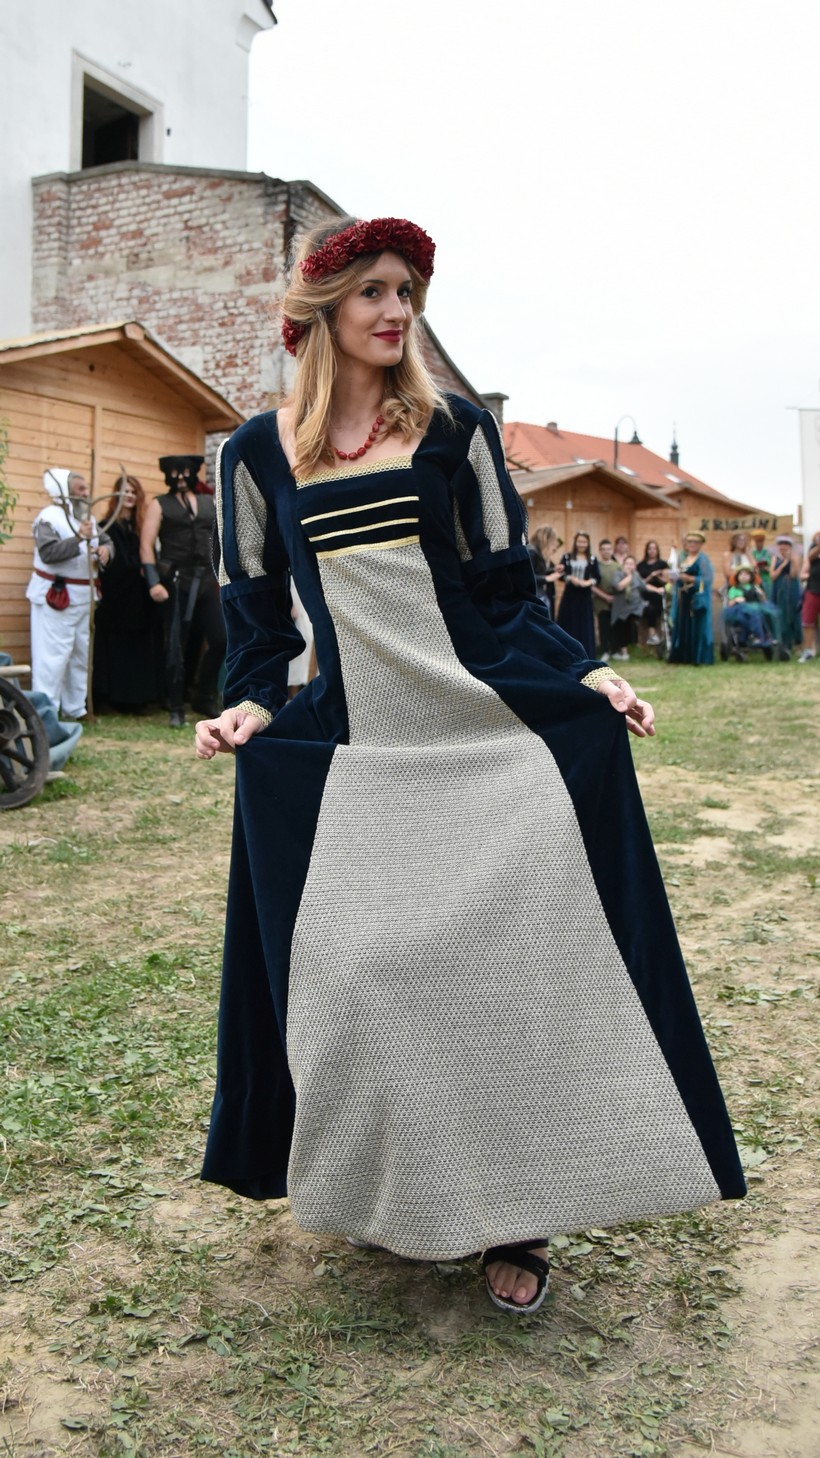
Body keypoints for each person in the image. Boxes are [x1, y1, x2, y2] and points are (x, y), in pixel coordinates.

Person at [194, 215, 745, 1315]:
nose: (396, 311)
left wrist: (588, 676)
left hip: (487, 733)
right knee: (363, 972)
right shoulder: (254, 454)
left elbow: (505, 596)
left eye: (407, 292)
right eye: (374, 291)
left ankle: (516, 1213)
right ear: (322, 313)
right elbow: (257, 623)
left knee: (500, 971)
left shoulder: (456, 431)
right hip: (361, 747)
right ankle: (408, 1184)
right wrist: (249, 708)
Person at [140, 455, 227, 727]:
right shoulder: (159, 504)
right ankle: (175, 706)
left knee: (221, 639)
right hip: (176, 582)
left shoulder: (208, 502)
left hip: (206, 580)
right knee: (176, 644)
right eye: (175, 473)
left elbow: (220, 538)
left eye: (185, 472)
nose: (180, 478)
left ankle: (203, 696)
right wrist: (153, 582)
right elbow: (146, 545)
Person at [26, 468, 112, 719]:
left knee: (79, 655)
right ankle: (46, 712)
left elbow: (106, 541)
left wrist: (106, 551)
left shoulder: (88, 519)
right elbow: (48, 553)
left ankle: (76, 708)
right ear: (65, 492)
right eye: (80, 489)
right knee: (51, 658)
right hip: (56, 598)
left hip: (84, 598)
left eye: (86, 488)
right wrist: (78, 538)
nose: (86, 494)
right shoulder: (49, 518)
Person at [94, 476, 163, 713]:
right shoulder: (106, 527)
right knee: (115, 646)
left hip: (139, 599)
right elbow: (112, 565)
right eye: (125, 491)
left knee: (137, 647)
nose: (130, 496)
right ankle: (112, 697)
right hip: (116, 598)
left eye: (133, 492)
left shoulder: (140, 528)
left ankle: (135, 698)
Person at [668, 531, 714, 664]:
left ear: (700, 544)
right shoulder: (684, 558)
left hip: (696, 599)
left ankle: (697, 656)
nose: (692, 544)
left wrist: (689, 578)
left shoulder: (703, 559)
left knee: (696, 626)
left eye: (695, 542)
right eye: (690, 542)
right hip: (683, 598)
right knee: (683, 625)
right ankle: (683, 656)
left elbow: (707, 579)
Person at [556, 532, 600, 657]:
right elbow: (560, 575)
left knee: (584, 624)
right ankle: (565, 654)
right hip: (570, 595)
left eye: (584, 542)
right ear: (575, 542)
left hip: (585, 597)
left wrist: (588, 582)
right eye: (579, 541)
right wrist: (570, 578)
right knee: (568, 622)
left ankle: (586, 654)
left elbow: (597, 577)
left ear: (588, 543)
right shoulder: (567, 557)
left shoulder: (592, 559)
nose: (581, 544)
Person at [723, 566, 775, 653]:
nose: (744, 576)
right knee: (750, 616)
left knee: (761, 615)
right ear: (737, 577)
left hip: (754, 608)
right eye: (741, 574)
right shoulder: (734, 589)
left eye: (746, 574)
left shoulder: (755, 587)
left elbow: (763, 600)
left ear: (751, 577)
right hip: (739, 610)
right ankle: (756, 636)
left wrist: (761, 595)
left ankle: (763, 636)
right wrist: (736, 599)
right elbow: (730, 603)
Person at [769, 536, 803, 657]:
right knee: (781, 614)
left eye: (786, 544)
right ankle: (783, 643)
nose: (783, 547)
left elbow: (794, 574)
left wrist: (791, 560)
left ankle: (797, 643)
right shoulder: (775, 558)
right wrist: (783, 564)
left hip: (791, 587)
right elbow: (772, 576)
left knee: (793, 613)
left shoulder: (795, 557)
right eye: (781, 544)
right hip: (778, 587)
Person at [635, 540, 669, 646]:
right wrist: (651, 576)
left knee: (654, 607)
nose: (652, 551)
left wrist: (658, 576)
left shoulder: (663, 564)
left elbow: (667, 580)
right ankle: (650, 635)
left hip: (659, 593)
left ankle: (654, 634)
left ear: (657, 550)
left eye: (654, 548)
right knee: (647, 608)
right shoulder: (641, 565)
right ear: (646, 550)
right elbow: (639, 582)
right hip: (644, 593)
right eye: (650, 548)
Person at [592, 538, 620, 661]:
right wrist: (605, 597)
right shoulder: (596, 566)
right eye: (603, 549)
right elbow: (592, 585)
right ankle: (605, 650)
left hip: (616, 600)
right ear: (600, 551)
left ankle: (615, 650)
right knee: (603, 626)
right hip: (601, 600)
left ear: (612, 550)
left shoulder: (617, 566)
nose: (606, 551)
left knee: (615, 626)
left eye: (608, 549)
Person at [798, 529, 820, 661]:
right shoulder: (813, 550)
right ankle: (807, 651)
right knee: (808, 622)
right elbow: (810, 557)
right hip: (813, 590)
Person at [749, 529, 772, 594]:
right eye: (757, 541)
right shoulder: (752, 552)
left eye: (761, 541)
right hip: (755, 579)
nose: (759, 543)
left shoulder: (768, 552)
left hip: (767, 579)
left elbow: (770, 565)